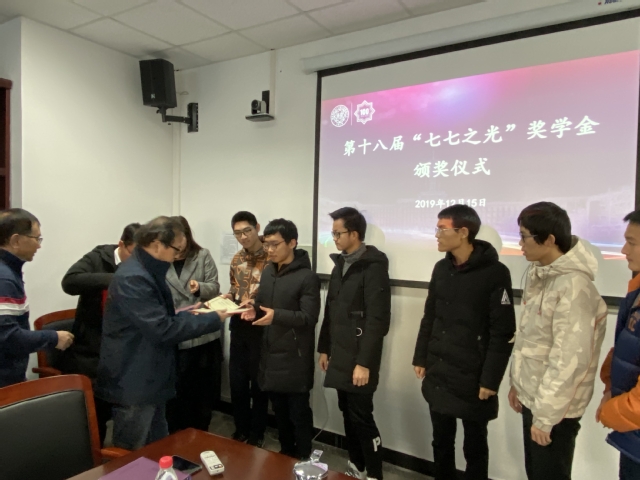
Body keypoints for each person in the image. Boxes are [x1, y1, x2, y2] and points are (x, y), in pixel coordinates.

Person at [95, 216, 230, 450]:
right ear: (157, 245)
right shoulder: (134, 277)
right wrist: (213, 318)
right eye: (176, 249)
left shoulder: (147, 269)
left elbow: (159, 318)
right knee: (133, 453)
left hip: (151, 377)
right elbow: (162, 329)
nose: (177, 256)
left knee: (158, 449)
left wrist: (188, 312)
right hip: (135, 381)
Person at [412, 205, 516, 480]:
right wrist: (421, 357)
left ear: (463, 232)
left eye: (441, 229)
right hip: (440, 367)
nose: (437, 235)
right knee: (441, 440)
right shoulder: (441, 268)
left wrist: (490, 380)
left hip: (474, 373)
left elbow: (503, 332)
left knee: (475, 445)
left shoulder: (495, 272)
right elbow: (430, 315)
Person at [508, 202, 607, 480]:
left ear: (549, 239)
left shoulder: (573, 286)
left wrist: (546, 417)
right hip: (535, 398)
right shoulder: (541, 275)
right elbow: (530, 338)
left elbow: (569, 359)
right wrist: (518, 384)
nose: (520, 244)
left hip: (556, 411)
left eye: (525, 237)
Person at [317, 207, 391, 480]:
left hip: (359, 356)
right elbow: (331, 310)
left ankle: (374, 473)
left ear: (355, 234)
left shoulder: (373, 266)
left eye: (338, 233)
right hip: (339, 353)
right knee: (346, 413)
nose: (334, 238)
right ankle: (357, 466)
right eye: (333, 233)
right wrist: (324, 348)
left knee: (362, 417)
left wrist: (364, 363)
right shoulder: (340, 264)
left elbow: (377, 320)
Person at [242, 218, 321, 460]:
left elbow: (309, 317)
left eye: (275, 244)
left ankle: (304, 458)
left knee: (298, 414)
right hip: (270, 353)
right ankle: (286, 455)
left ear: (292, 243)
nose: (270, 250)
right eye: (267, 244)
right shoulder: (268, 272)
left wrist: (276, 316)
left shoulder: (307, 277)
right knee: (279, 413)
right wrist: (253, 308)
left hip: (295, 357)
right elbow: (263, 304)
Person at [60, 222, 141, 444]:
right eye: (133, 254)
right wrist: (115, 279)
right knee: (95, 418)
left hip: (123, 353)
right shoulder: (98, 257)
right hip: (92, 351)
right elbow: (69, 282)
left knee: (126, 415)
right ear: (121, 244)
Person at [0, 208, 74, 388]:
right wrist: (53, 337)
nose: (39, 246)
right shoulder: (4, 278)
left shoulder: (8, 272)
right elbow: (7, 337)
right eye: (36, 239)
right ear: (16, 241)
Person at [166, 216, 222, 433]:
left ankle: (201, 432)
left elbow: (215, 287)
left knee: (203, 392)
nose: (178, 246)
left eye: (180, 239)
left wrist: (199, 288)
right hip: (177, 334)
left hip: (203, 334)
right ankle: (178, 435)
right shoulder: (163, 259)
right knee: (179, 392)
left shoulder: (202, 255)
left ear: (187, 236)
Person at [596, 209, 640, 479]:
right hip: (632, 435)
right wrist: (610, 387)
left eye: (632, 243)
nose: (624, 250)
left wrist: (610, 411)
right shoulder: (635, 291)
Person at [222, 211, 270, 447]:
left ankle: (257, 433)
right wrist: (227, 297)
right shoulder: (236, 259)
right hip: (238, 325)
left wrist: (256, 304)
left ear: (257, 228)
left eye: (247, 231)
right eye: (238, 233)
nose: (243, 237)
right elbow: (235, 288)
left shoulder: (272, 257)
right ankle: (240, 429)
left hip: (260, 326)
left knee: (259, 383)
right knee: (237, 381)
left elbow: (276, 294)